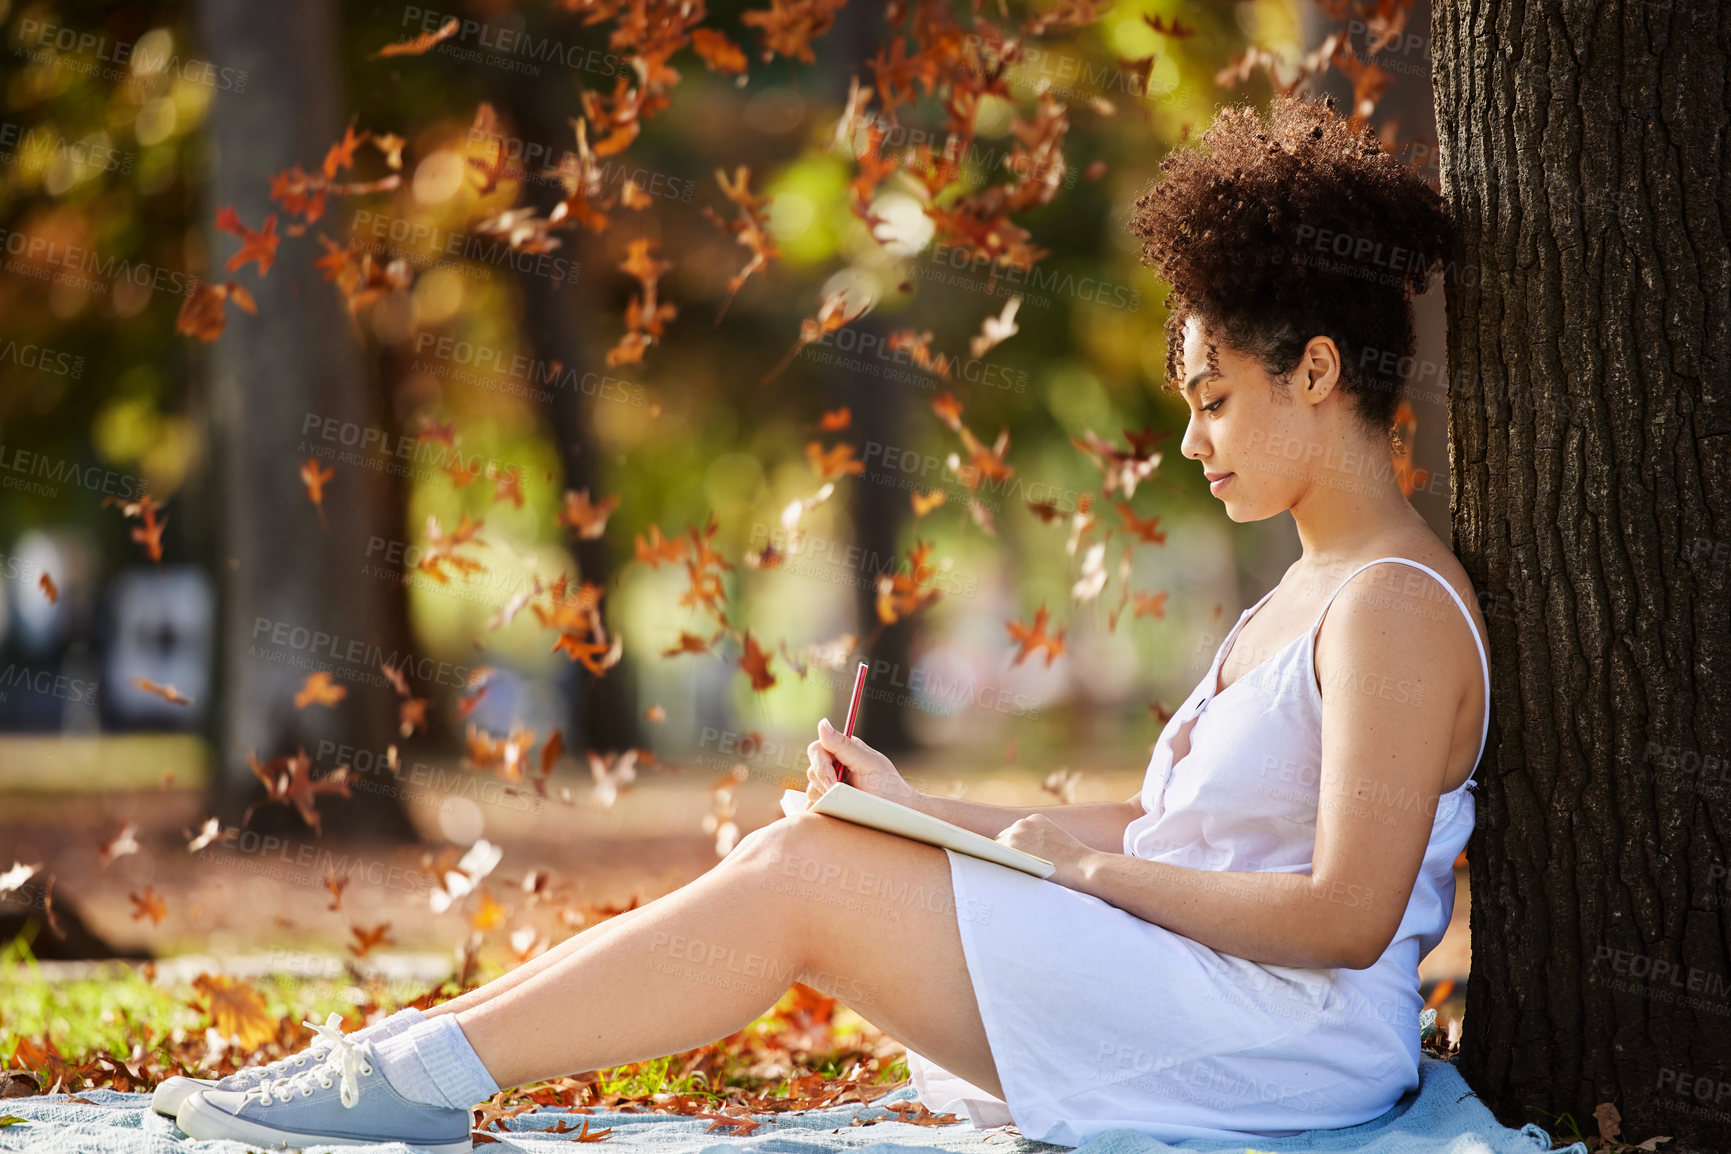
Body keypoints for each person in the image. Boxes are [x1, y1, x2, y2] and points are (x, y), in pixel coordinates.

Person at [156, 90, 1487, 1153]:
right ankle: (408, 1058)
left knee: (806, 881)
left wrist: (1091, 877)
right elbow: (1170, 840)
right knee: (822, 836)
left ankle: (417, 1073)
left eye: (1211, 397)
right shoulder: (1297, 594)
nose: (1190, 437)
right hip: (1195, 984)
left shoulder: (1394, 609)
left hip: (1282, 1042)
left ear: (1316, 371)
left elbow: (1342, 915)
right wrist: (926, 810)